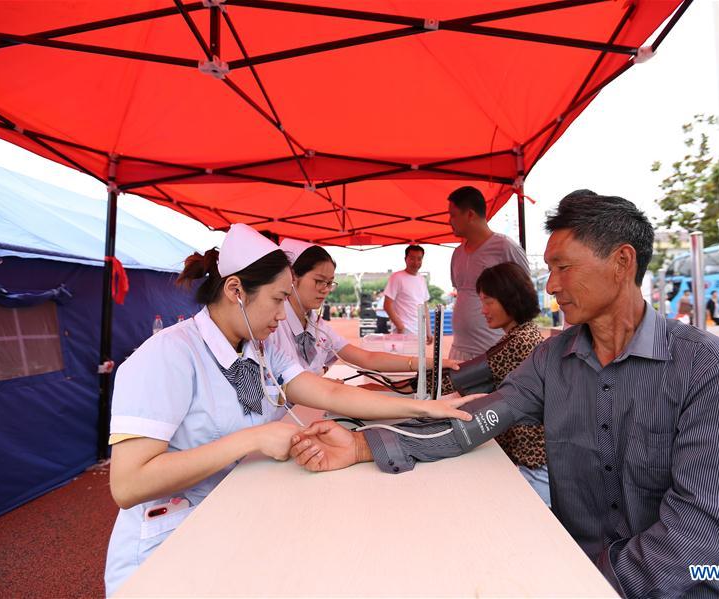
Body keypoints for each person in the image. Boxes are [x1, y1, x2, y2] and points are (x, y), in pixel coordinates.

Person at [290, 192, 719, 598]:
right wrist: (361, 445)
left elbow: (703, 532)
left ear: (622, 262)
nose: (552, 286)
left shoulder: (711, 371)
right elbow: (477, 420)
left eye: (563, 267)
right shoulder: (551, 360)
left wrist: (582, 581)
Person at [104, 225, 471, 595]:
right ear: (235, 290)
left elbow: (328, 391)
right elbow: (128, 484)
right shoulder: (167, 355)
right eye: (278, 299)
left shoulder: (258, 348)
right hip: (166, 549)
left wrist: (423, 408)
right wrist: (253, 438)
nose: (283, 315)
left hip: (229, 522)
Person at [416, 262, 550, 505]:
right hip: (528, 460)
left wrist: (397, 392)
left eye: (488, 302)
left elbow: (456, 380)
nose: (483, 310)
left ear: (510, 298)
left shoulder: (518, 342)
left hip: (530, 467)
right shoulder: (523, 334)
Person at [269, 238, 457, 376]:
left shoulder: (316, 326)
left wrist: (432, 363)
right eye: (319, 281)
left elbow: (367, 359)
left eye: (330, 283)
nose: (325, 290)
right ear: (292, 277)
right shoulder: (272, 327)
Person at [448, 186, 529, 360]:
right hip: (459, 349)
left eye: (453, 215)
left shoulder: (505, 247)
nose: (449, 221)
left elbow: (525, 295)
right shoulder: (457, 254)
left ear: (470, 214)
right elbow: (462, 294)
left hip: (494, 350)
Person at [384, 245, 432, 343]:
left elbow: (425, 307)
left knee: (419, 359)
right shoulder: (397, 277)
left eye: (419, 259)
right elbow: (387, 305)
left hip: (420, 331)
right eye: (412, 258)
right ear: (405, 259)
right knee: (403, 359)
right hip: (404, 332)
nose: (416, 262)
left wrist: (428, 331)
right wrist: (400, 326)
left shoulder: (422, 279)